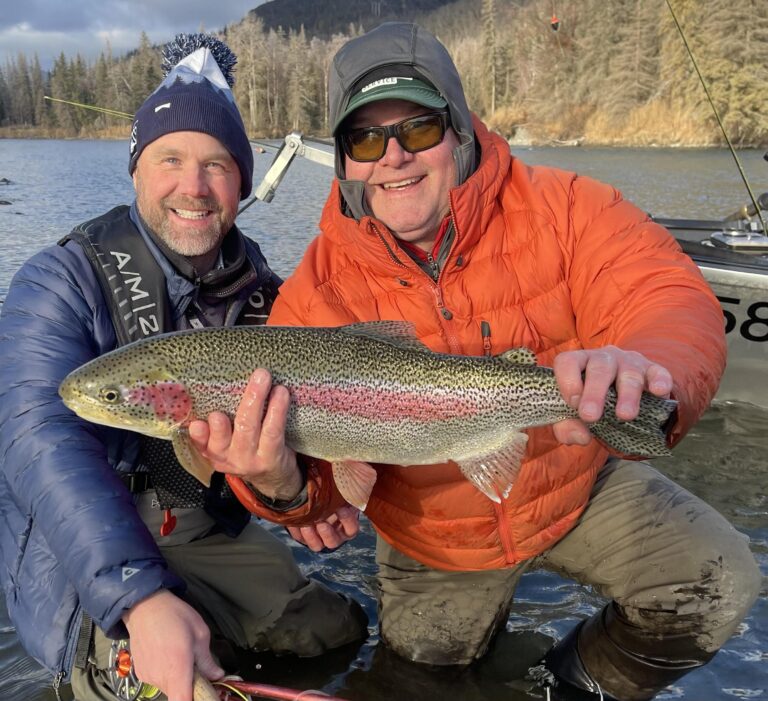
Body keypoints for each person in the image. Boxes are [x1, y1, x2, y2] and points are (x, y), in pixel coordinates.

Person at [188, 22, 762, 701]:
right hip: (435, 535)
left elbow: (662, 288)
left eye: (419, 130)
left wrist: (646, 367)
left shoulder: (566, 207)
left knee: (718, 576)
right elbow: (323, 493)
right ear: (343, 160)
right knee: (422, 680)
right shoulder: (314, 292)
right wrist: (280, 489)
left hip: (573, 480)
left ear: (459, 129)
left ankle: (573, 682)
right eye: (366, 139)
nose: (393, 157)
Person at [0, 34, 367, 701]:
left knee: (333, 631)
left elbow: (307, 467)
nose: (193, 187)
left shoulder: (272, 299)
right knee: (168, 683)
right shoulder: (58, 281)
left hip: (194, 520)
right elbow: (39, 441)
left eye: (217, 165)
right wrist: (140, 598)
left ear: (242, 183)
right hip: (76, 543)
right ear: (137, 169)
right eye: (170, 158)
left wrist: (295, 495)